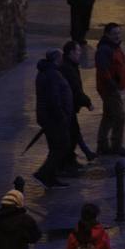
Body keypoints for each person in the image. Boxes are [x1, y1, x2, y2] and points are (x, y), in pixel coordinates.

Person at [95, 22, 125, 157]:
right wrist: (112, 85)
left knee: (108, 116)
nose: (118, 36)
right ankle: (116, 146)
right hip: (108, 89)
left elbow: (121, 67)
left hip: (112, 87)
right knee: (119, 117)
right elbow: (103, 70)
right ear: (107, 34)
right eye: (114, 34)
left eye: (119, 33)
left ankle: (102, 145)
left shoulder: (115, 47)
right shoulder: (104, 50)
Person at [34, 48, 74, 188]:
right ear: (57, 59)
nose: (63, 60)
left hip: (48, 117)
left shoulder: (45, 72)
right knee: (62, 146)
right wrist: (62, 116)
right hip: (54, 118)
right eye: (61, 57)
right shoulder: (52, 74)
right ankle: (44, 173)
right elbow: (54, 98)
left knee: (55, 147)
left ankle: (50, 177)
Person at [60, 40, 97, 169]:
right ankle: (68, 162)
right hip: (66, 107)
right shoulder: (68, 69)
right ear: (71, 53)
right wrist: (88, 102)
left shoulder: (71, 66)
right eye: (78, 51)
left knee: (74, 131)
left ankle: (82, 154)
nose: (80, 53)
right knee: (72, 133)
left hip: (69, 106)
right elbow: (75, 89)